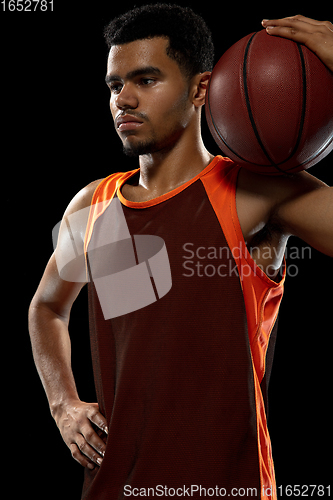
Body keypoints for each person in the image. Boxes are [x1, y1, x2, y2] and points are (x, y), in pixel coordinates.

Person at [28, 4, 333, 500]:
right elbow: (46, 307)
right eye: (113, 85)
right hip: (111, 486)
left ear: (200, 89)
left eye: (145, 80)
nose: (122, 99)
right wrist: (64, 403)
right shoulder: (93, 204)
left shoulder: (258, 194)